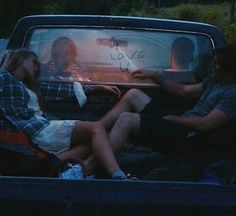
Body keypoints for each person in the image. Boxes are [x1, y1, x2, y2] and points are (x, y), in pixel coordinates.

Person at [0, 48, 131, 180]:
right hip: (30, 130)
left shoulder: (31, 86)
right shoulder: (4, 77)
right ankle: (118, 176)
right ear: (19, 59)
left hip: (41, 127)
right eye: (34, 62)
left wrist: (98, 87)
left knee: (96, 141)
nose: (37, 68)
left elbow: (62, 90)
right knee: (96, 128)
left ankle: (64, 170)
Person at [100, 44, 236, 153]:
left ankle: (88, 168)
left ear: (229, 68)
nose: (211, 65)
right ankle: (97, 129)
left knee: (127, 119)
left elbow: (205, 125)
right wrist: (155, 75)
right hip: (181, 122)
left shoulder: (232, 93)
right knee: (133, 94)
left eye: (217, 63)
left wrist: (174, 119)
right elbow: (182, 90)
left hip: (190, 136)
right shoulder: (214, 81)